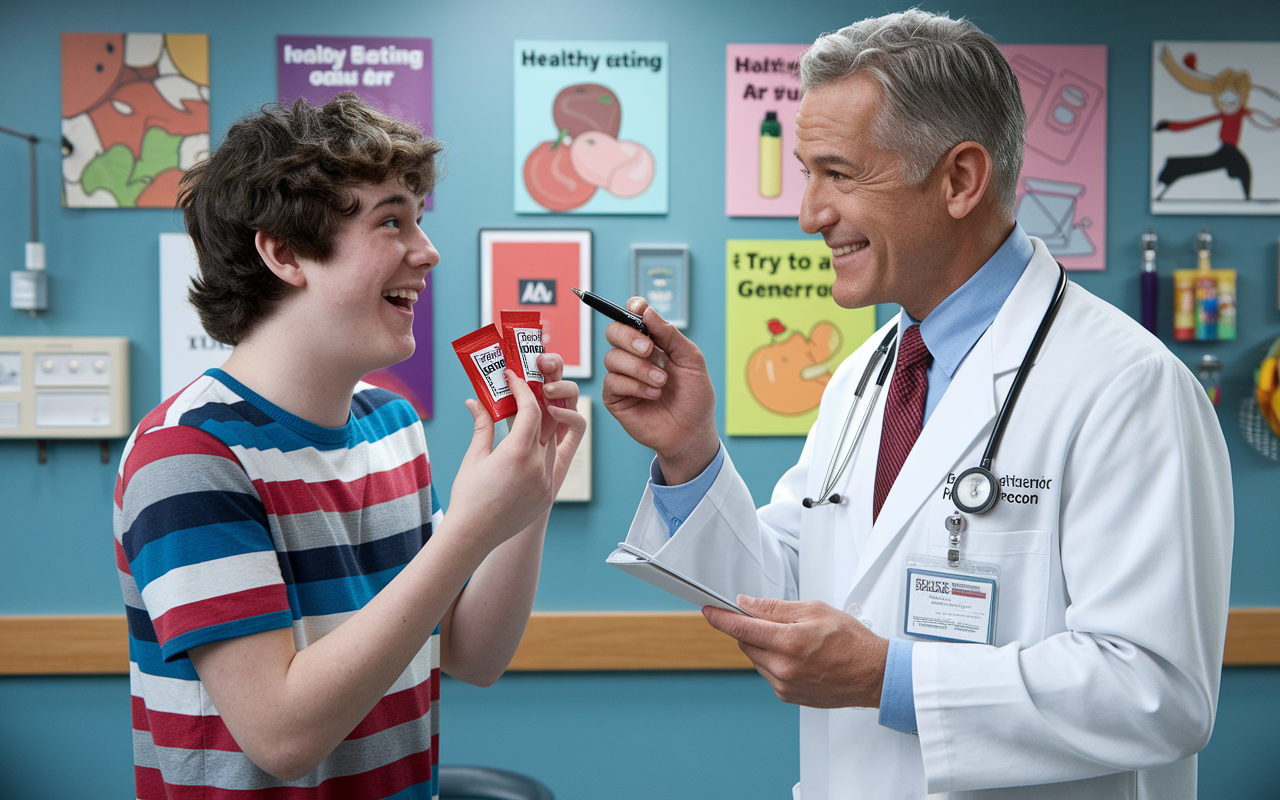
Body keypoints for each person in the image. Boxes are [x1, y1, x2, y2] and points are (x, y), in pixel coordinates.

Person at [602, 11, 1232, 800]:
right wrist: (689, 452)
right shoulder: (865, 377)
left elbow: (1159, 693)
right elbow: (789, 593)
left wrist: (892, 679)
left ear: (960, 180)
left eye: (839, 173)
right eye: (805, 172)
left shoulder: (1127, 387)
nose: (809, 213)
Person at [113, 93, 585, 799]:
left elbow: (474, 654)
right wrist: (469, 529)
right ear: (284, 252)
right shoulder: (186, 455)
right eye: (390, 221)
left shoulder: (392, 425)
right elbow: (283, 737)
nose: (427, 253)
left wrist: (532, 486)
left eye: (418, 222)